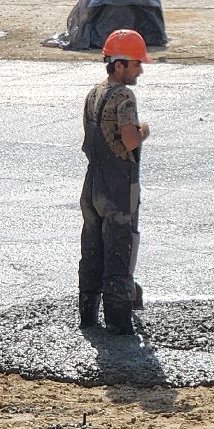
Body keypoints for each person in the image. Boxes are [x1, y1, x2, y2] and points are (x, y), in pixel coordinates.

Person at [80, 29, 151, 333]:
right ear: (119, 64)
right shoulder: (125, 96)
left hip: (92, 184)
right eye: (136, 64)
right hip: (118, 186)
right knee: (119, 253)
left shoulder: (94, 93)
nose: (141, 70)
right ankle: (119, 323)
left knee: (91, 252)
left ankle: (87, 316)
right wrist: (145, 129)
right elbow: (131, 140)